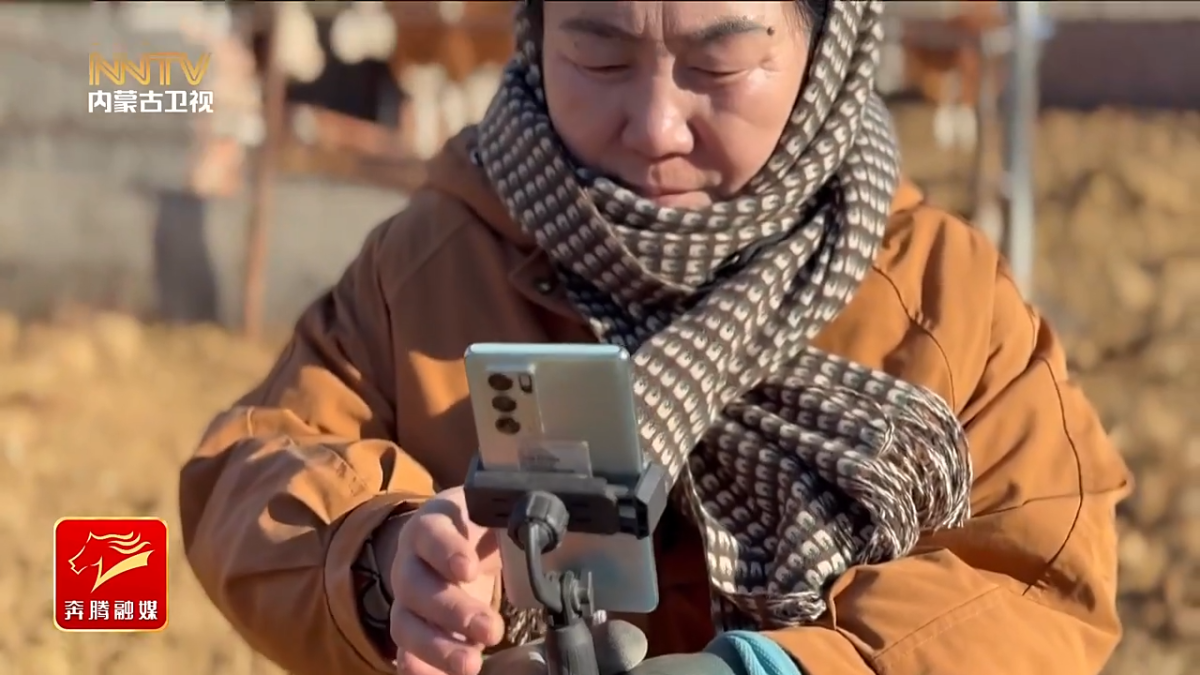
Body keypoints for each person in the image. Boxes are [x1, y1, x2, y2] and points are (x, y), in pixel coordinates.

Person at [179, 2, 1131, 675]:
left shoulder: (936, 295)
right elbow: (249, 473)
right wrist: (382, 564)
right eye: (597, 57)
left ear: (828, 40)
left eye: (721, 65)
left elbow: (1040, 579)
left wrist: (783, 669)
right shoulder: (434, 260)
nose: (655, 126)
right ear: (535, 33)